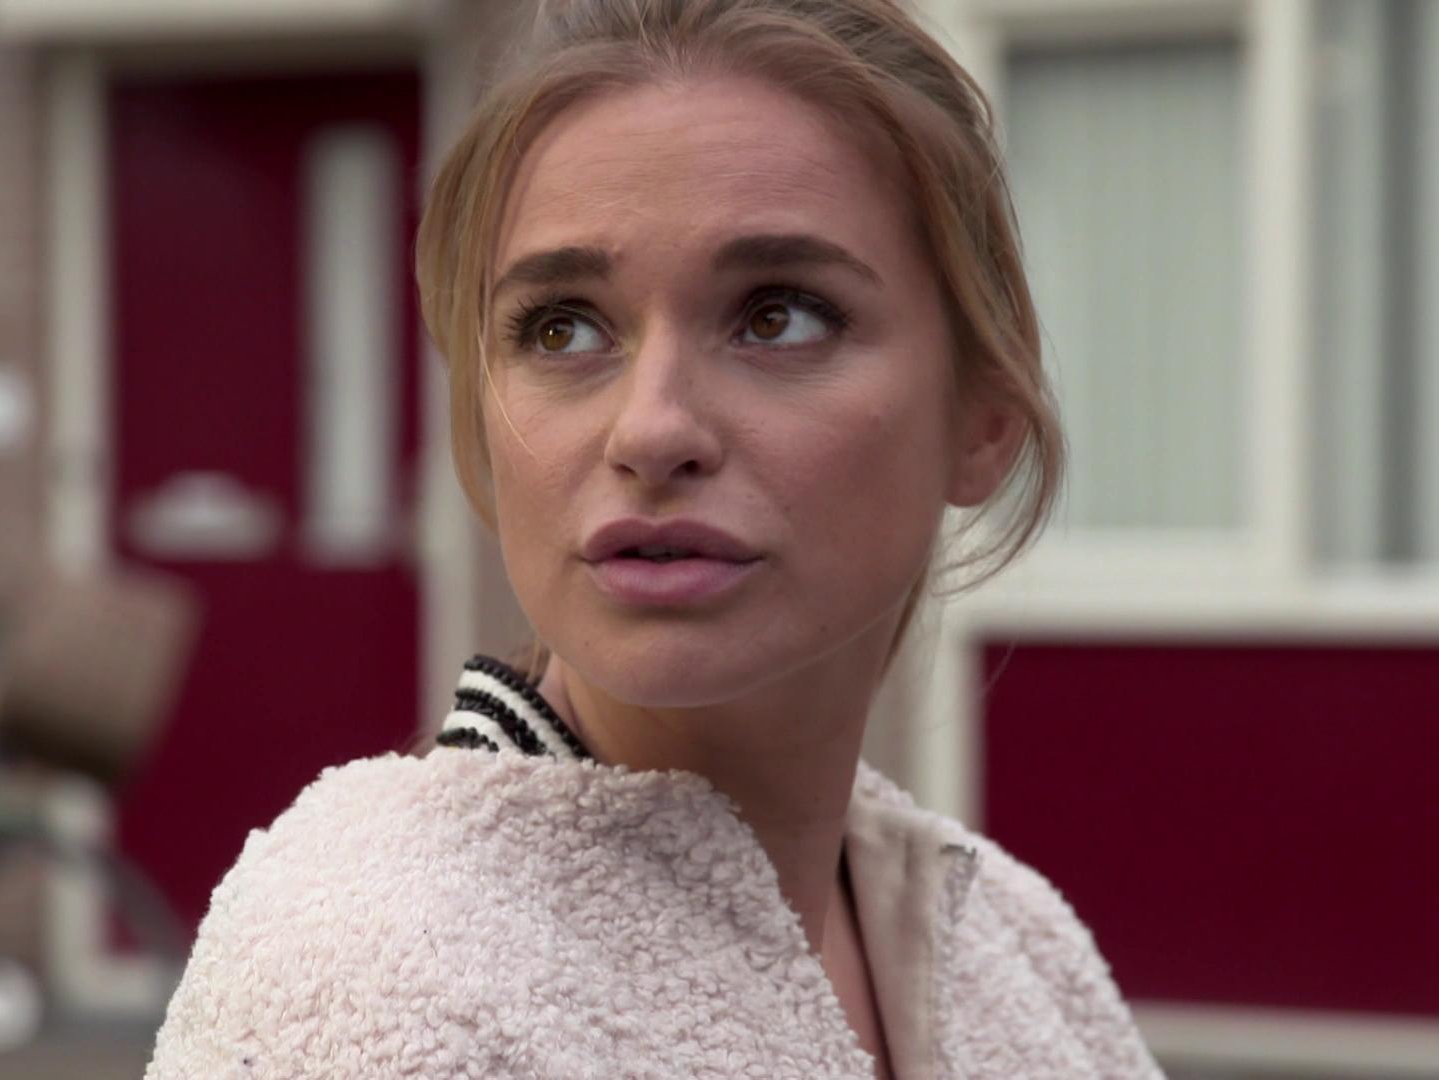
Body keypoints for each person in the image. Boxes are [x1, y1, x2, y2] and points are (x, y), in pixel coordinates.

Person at [145, 0, 1164, 1076]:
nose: (651, 431)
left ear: (983, 422)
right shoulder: (374, 985)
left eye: (778, 315)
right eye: (563, 327)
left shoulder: (1017, 955)